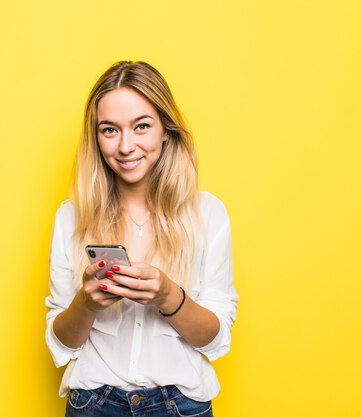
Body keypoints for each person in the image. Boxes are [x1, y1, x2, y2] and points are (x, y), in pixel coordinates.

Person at [45, 61, 238, 417]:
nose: (125, 146)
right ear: (96, 137)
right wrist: (86, 304)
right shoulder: (71, 216)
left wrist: (169, 296)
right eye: (109, 130)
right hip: (93, 404)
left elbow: (215, 339)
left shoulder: (208, 215)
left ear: (165, 129)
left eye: (141, 126)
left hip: (179, 406)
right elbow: (61, 343)